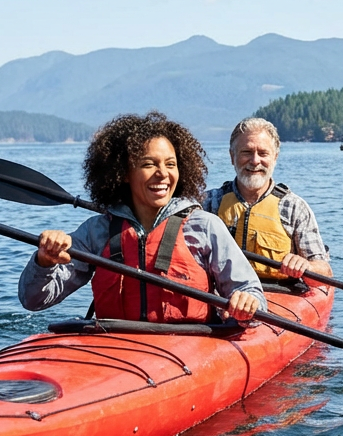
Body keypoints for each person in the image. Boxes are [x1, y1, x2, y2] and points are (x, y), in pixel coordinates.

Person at [20, 111, 266, 322]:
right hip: (117, 349)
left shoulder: (204, 227)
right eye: (149, 164)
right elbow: (34, 301)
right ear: (124, 173)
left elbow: (251, 293)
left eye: (171, 164)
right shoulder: (98, 232)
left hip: (190, 348)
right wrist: (45, 262)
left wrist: (246, 303)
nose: (162, 174)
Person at [202, 117, 333, 287]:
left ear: (275, 157)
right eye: (246, 152)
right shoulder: (208, 204)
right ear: (232, 156)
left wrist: (306, 266)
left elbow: (325, 271)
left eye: (263, 153)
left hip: (279, 297)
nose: (255, 161)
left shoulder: (294, 208)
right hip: (222, 296)